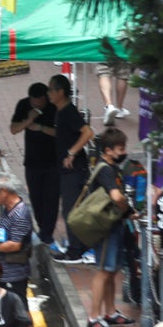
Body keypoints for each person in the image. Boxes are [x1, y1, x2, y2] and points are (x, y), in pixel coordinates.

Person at [83, 127, 138, 327]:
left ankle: (110, 312)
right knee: (104, 271)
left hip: (113, 226)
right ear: (107, 150)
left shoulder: (110, 167)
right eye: (120, 148)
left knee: (111, 270)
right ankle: (94, 317)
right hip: (106, 229)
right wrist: (127, 208)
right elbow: (116, 197)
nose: (123, 152)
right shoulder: (106, 170)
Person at [49, 74, 95, 261]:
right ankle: (78, 246)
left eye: (51, 89)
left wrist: (71, 153)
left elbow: (88, 132)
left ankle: (76, 251)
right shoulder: (59, 111)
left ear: (60, 92)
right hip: (65, 170)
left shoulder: (69, 111)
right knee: (70, 208)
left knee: (71, 210)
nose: (48, 93)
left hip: (74, 171)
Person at [9, 82, 58, 245]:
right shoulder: (23, 105)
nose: (37, 104)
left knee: (51, 199)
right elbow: (14, 129)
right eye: (34, 101)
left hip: (53, 161)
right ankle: (43, 228)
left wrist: (40, 128)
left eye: (40, 101)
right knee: (36, 198)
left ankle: (47, 233)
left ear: (46, 98)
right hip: (32, 161)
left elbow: (59, 133)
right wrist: (29, 119)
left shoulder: (53, 107)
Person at [0, 173, 34, 297]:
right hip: (4, 269)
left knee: (19, 307)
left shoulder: (20, 215)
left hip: (14, 273)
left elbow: (15, 245)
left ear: (3, 191)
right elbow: (4, 233)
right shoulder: (8, 208)